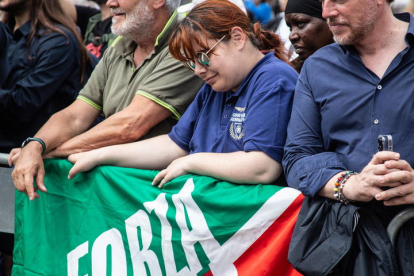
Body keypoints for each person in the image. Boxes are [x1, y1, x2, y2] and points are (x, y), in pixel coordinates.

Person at [67, 0, 298, 189]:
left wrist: (191, 162)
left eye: (204, 56)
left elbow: (262, 166)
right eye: (191, 63)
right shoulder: (216, 86)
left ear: (238, 38)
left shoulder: (273, 79)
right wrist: (99, 155)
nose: (198, 70)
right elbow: (174, 144)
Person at [10, 0, 204, 201]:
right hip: (115, 190)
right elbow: (75, 115)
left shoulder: (185, 45)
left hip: (157, 195)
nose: (111, 2)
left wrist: (51, 152)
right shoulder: (120, 44)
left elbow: (129, 125)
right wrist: (35, 146)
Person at [282, 0, 414, 274]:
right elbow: (297, 158)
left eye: (339, 0)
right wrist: (348, 185)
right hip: (350, 246)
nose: (327, 12)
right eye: (322, 2)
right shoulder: (318, 67)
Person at [284, 0, 333, 72]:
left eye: (300, 24)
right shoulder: (291, 75)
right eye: (290, 28)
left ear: (330, 21)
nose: (292, 36)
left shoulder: (353, 65)